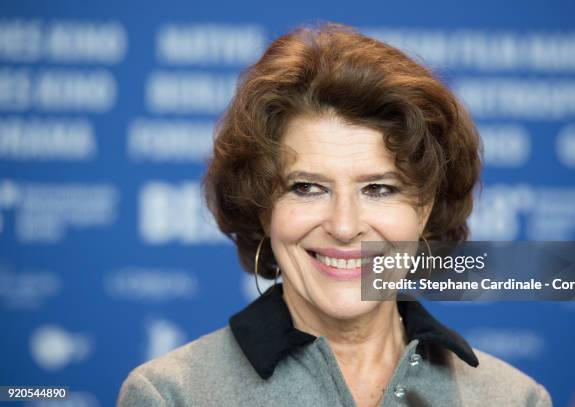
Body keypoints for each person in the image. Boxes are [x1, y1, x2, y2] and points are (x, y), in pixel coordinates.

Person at [117, 22, 552, 406]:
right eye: (307, 188)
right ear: (263, 209)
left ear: (424, 210)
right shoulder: (171, 395)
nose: (344, 227)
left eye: (379, 189)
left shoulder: (513, 398)